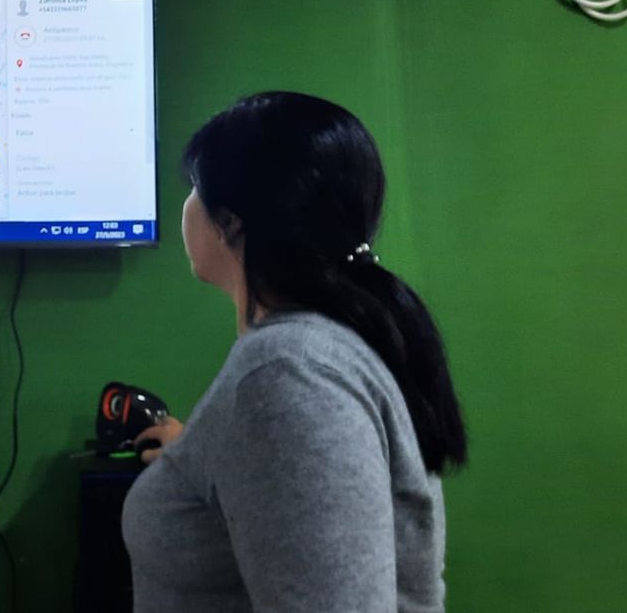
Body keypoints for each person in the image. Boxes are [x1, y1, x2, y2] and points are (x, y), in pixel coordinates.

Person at [121, 92, 467, 612]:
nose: (187, 204)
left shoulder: (290, 373)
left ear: (230, 220)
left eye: (195, 186)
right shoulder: (316, 356)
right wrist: (193, 460)